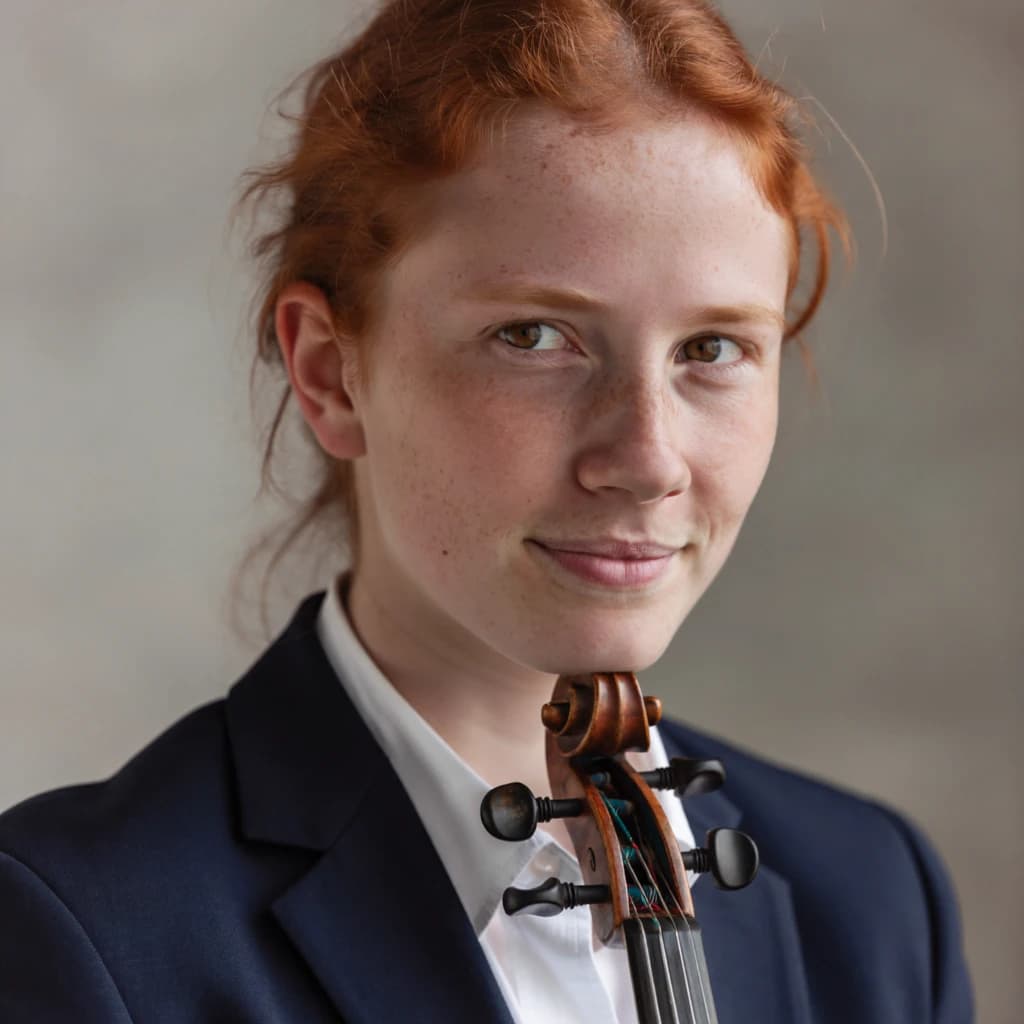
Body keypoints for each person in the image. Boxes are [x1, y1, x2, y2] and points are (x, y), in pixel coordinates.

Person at [0, 1, 973, 1021]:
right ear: (331, 373)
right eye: (535, 337)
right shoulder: (79, 936)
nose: (645, 460)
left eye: (711, 348)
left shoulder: (873, 901)